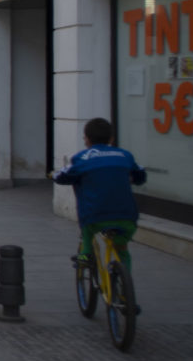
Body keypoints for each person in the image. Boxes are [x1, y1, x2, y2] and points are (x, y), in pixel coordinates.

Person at [52, 117, 147, 275]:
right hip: (127, 217)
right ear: (111, 139)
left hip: (94, 216)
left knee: (87, 233)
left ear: (87, 139)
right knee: (122, 250)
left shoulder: (82, 158)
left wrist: (54, 175)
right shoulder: (125, 155)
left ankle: (85, 255)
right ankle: (125, 291)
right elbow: (141, 175)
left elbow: (61, 176)